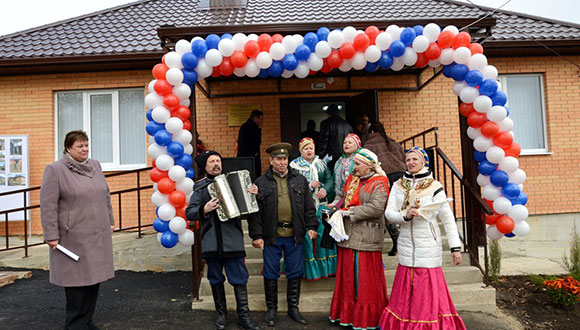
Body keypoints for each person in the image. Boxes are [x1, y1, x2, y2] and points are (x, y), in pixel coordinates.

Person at [378, 147, 466, 330]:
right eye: (408, 159)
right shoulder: (398, 185)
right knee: (405, 293)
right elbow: (388, 213)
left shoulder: (434, 186)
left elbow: (448, 219)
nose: (410, 163)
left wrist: (455, 248)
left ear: (423, 162)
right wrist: (405, 215)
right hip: (406, 245)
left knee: (425, 293)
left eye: (414, 160)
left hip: (428, 245)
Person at [40, 130, 115, 330]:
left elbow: (105, 195)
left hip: (97, 234)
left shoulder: (95, 165)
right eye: (79, 146)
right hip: (73, 237)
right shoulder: (55, 170)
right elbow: (48, 205)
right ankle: (75, 325)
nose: (84, 149)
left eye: (86, 145)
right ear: (68, 148)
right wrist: (51, 235)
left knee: (93, 281)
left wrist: (110, 220)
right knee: (77, 284)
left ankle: (87, 322)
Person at [185, 150, 260, 330]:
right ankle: (221, 315)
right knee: (216, 278)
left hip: (232, 239)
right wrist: (204, 208)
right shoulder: (200, 188)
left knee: (240, 278)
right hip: (211, 241)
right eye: (212, 161)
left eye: (218, 161)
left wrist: (254, 194)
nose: (216, 164)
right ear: (205, 166)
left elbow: (250, 207)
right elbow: (190, 212)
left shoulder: (235, 181)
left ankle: (244, 316)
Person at [248, 142, 319, 326]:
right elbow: (255, 213)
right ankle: (271, 310)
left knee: (295, 272)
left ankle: (293, 308)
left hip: (294, 235)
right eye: (278, 159)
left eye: (285, 158)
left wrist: (312, 226)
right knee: (271, 273)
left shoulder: (299, 180)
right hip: (272, 235)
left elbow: (308, 207)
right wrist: (256, 236)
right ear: (271, 161)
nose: (282, 162)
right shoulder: (260, 182)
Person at [328, 148, 390, 330]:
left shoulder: (380, 182)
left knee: (366, 281)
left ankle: (368, 319)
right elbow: (341, 196)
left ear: (369, 166)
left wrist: (349, 212)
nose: (355, 167)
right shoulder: (352, 179)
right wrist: (333, 206)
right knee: (348, 278)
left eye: (358, 164)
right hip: (348, 235)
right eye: (355, 163)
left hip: (367, 237)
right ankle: (348, 316)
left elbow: (377, 208)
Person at [289, 138, 336, 280]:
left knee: (323, 234)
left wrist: (325, 190)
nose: (309, 151)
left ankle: (325, 269)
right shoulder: (294, 166)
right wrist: (309, 186)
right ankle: (310, 270)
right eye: (305, 148)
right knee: (308, 238)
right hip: (304, 206)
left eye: (311, 148)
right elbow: (292, 184)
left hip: (322, 205)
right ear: (300, 151)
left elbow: (330, 180)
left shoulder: (321, 163)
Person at [363, 122, 406, 256]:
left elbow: (369, 163)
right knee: (400, 208)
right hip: (401, 176)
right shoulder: (393, 142)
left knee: (386, 208)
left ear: (371, 132)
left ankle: (397, 241)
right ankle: (401, 242)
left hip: (385, 177)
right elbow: (404, 159)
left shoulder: (369, 145)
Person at [329, 133, 361, 207]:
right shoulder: (339, 161)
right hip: (340, 197)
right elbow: (333, 179)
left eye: (350, 143)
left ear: (357, 146)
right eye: (345, 143)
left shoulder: (360, 160)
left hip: (354, 198)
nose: (346, 144)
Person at [317, 104, 352, 170]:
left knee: (330, 178)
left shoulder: (325, 123)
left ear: (328, 113)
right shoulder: (348, 125)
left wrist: (320, 158)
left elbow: (323, 142)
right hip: (345, 158)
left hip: (330, 158)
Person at [237, 110, 264, 176]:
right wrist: (254, 153)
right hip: (250, 158)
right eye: (260, 119)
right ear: (255, 118)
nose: (261, 121)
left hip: (243, 158)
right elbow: (254, 143)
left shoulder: (245, 126)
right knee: (253, 175)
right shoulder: (252, 128)